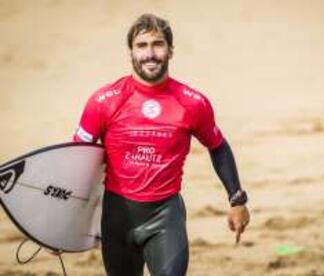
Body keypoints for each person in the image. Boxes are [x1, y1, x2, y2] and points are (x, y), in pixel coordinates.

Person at [73, 13, 250, 276]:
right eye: (141, 46)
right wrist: (61, 224)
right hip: (117, 218)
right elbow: (76, 160)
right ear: (130, 52)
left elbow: (218, 146)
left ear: (170, 50)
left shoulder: (192, 103)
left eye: (157, 44)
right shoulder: (104, 101)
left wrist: (237, 200)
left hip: (165, 217)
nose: (150, 54)